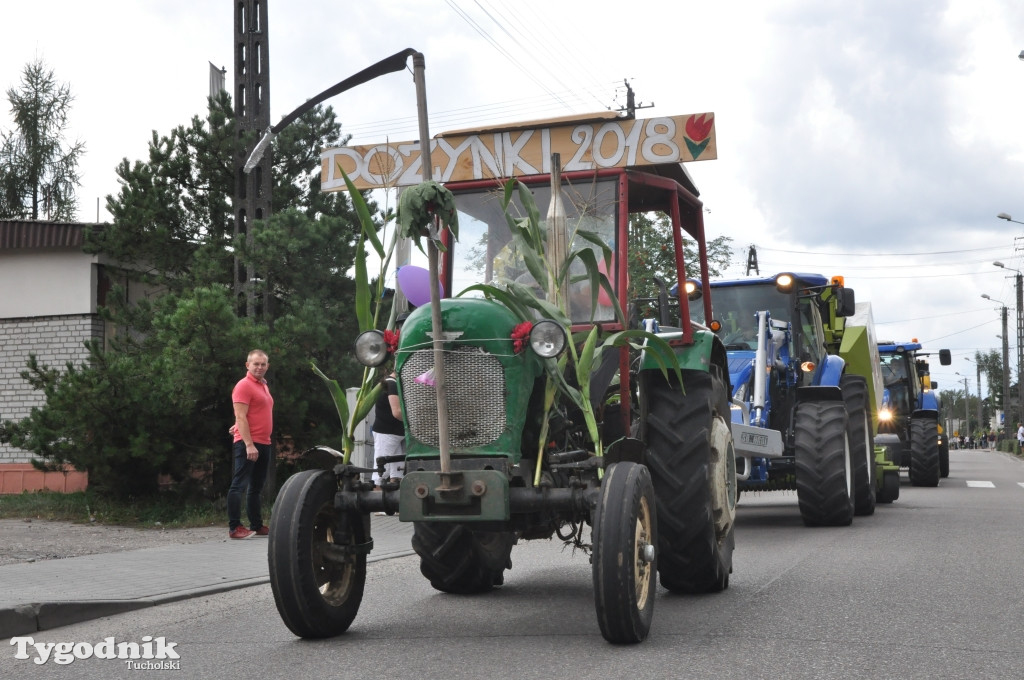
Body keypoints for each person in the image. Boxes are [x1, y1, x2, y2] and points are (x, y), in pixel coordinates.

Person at [227, 349, 274, 540]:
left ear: (267, 366)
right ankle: (235, 527)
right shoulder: (243, 385)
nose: (259, 367)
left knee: (256, 487)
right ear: (248, 365)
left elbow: (250, 412)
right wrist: (248, 444)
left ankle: (256, 524)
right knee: (239, 485)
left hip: (264, 442)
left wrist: (237, 425)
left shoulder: (263, 385)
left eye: (263, 364)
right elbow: (240, 415)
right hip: (249, 443)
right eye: (256, 364)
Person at [372, 313, 408, 487]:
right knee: (381, 466)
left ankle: (393, 497)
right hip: (387, 431)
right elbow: (397, 412)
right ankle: (378, 492)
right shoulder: (392, 383)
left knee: (398, 469)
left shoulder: (401, 384)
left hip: (399, 432)